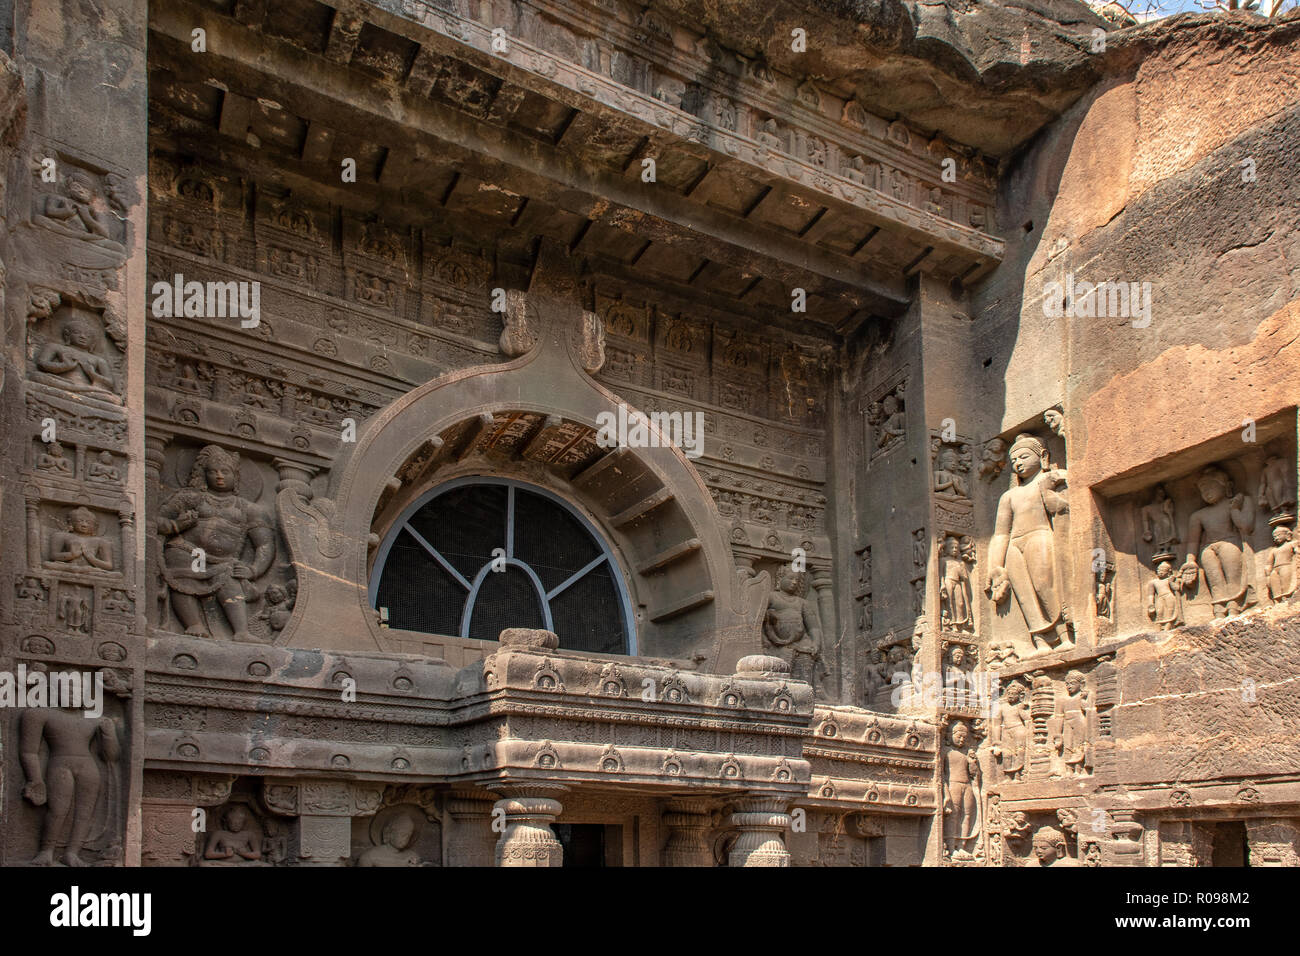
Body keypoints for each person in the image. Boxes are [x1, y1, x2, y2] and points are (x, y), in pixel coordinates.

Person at [158, 444, 275, 641]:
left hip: (223, 561)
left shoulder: (249, 509)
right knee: (183, 575)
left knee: (231, 580)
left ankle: (241, 631)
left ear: (235, 476)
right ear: (204, 475)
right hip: (187, 550)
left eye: (225, 472)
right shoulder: (189, 497)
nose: (219, 476)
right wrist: (176, 525)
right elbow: (156, 522)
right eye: (213, 472)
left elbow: (264, 544)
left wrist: (254, 570)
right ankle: (194, 624)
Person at [987, 434, 1070, 649]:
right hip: (1015, 545)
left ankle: (1065, 636)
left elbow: (1060, 509)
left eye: (1023, 457)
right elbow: (1001, 534)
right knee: (1025, 595)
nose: (1018, 463)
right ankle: (1040, 642)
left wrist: (1053, 485)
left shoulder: (1046, 481)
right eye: (1014, 461)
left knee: (1044, 585)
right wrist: (996, 566)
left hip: (1039, 536)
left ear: (1042, 456)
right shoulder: (1009, 496)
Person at [1181, 465, 1256, 618]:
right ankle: (1219, 610)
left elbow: (1246, 527)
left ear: (1226, 486)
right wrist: (1190, 561)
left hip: (1229, 542)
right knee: (1215, 581)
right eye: (1202, 490)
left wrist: (1234, 509)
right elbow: (1192, 542)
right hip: (1208, 549)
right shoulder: (1198, 515)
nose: (1206, 492)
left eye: (1210, 487)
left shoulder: (1237, 502)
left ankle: (1234, 607)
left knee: (1232, 577)